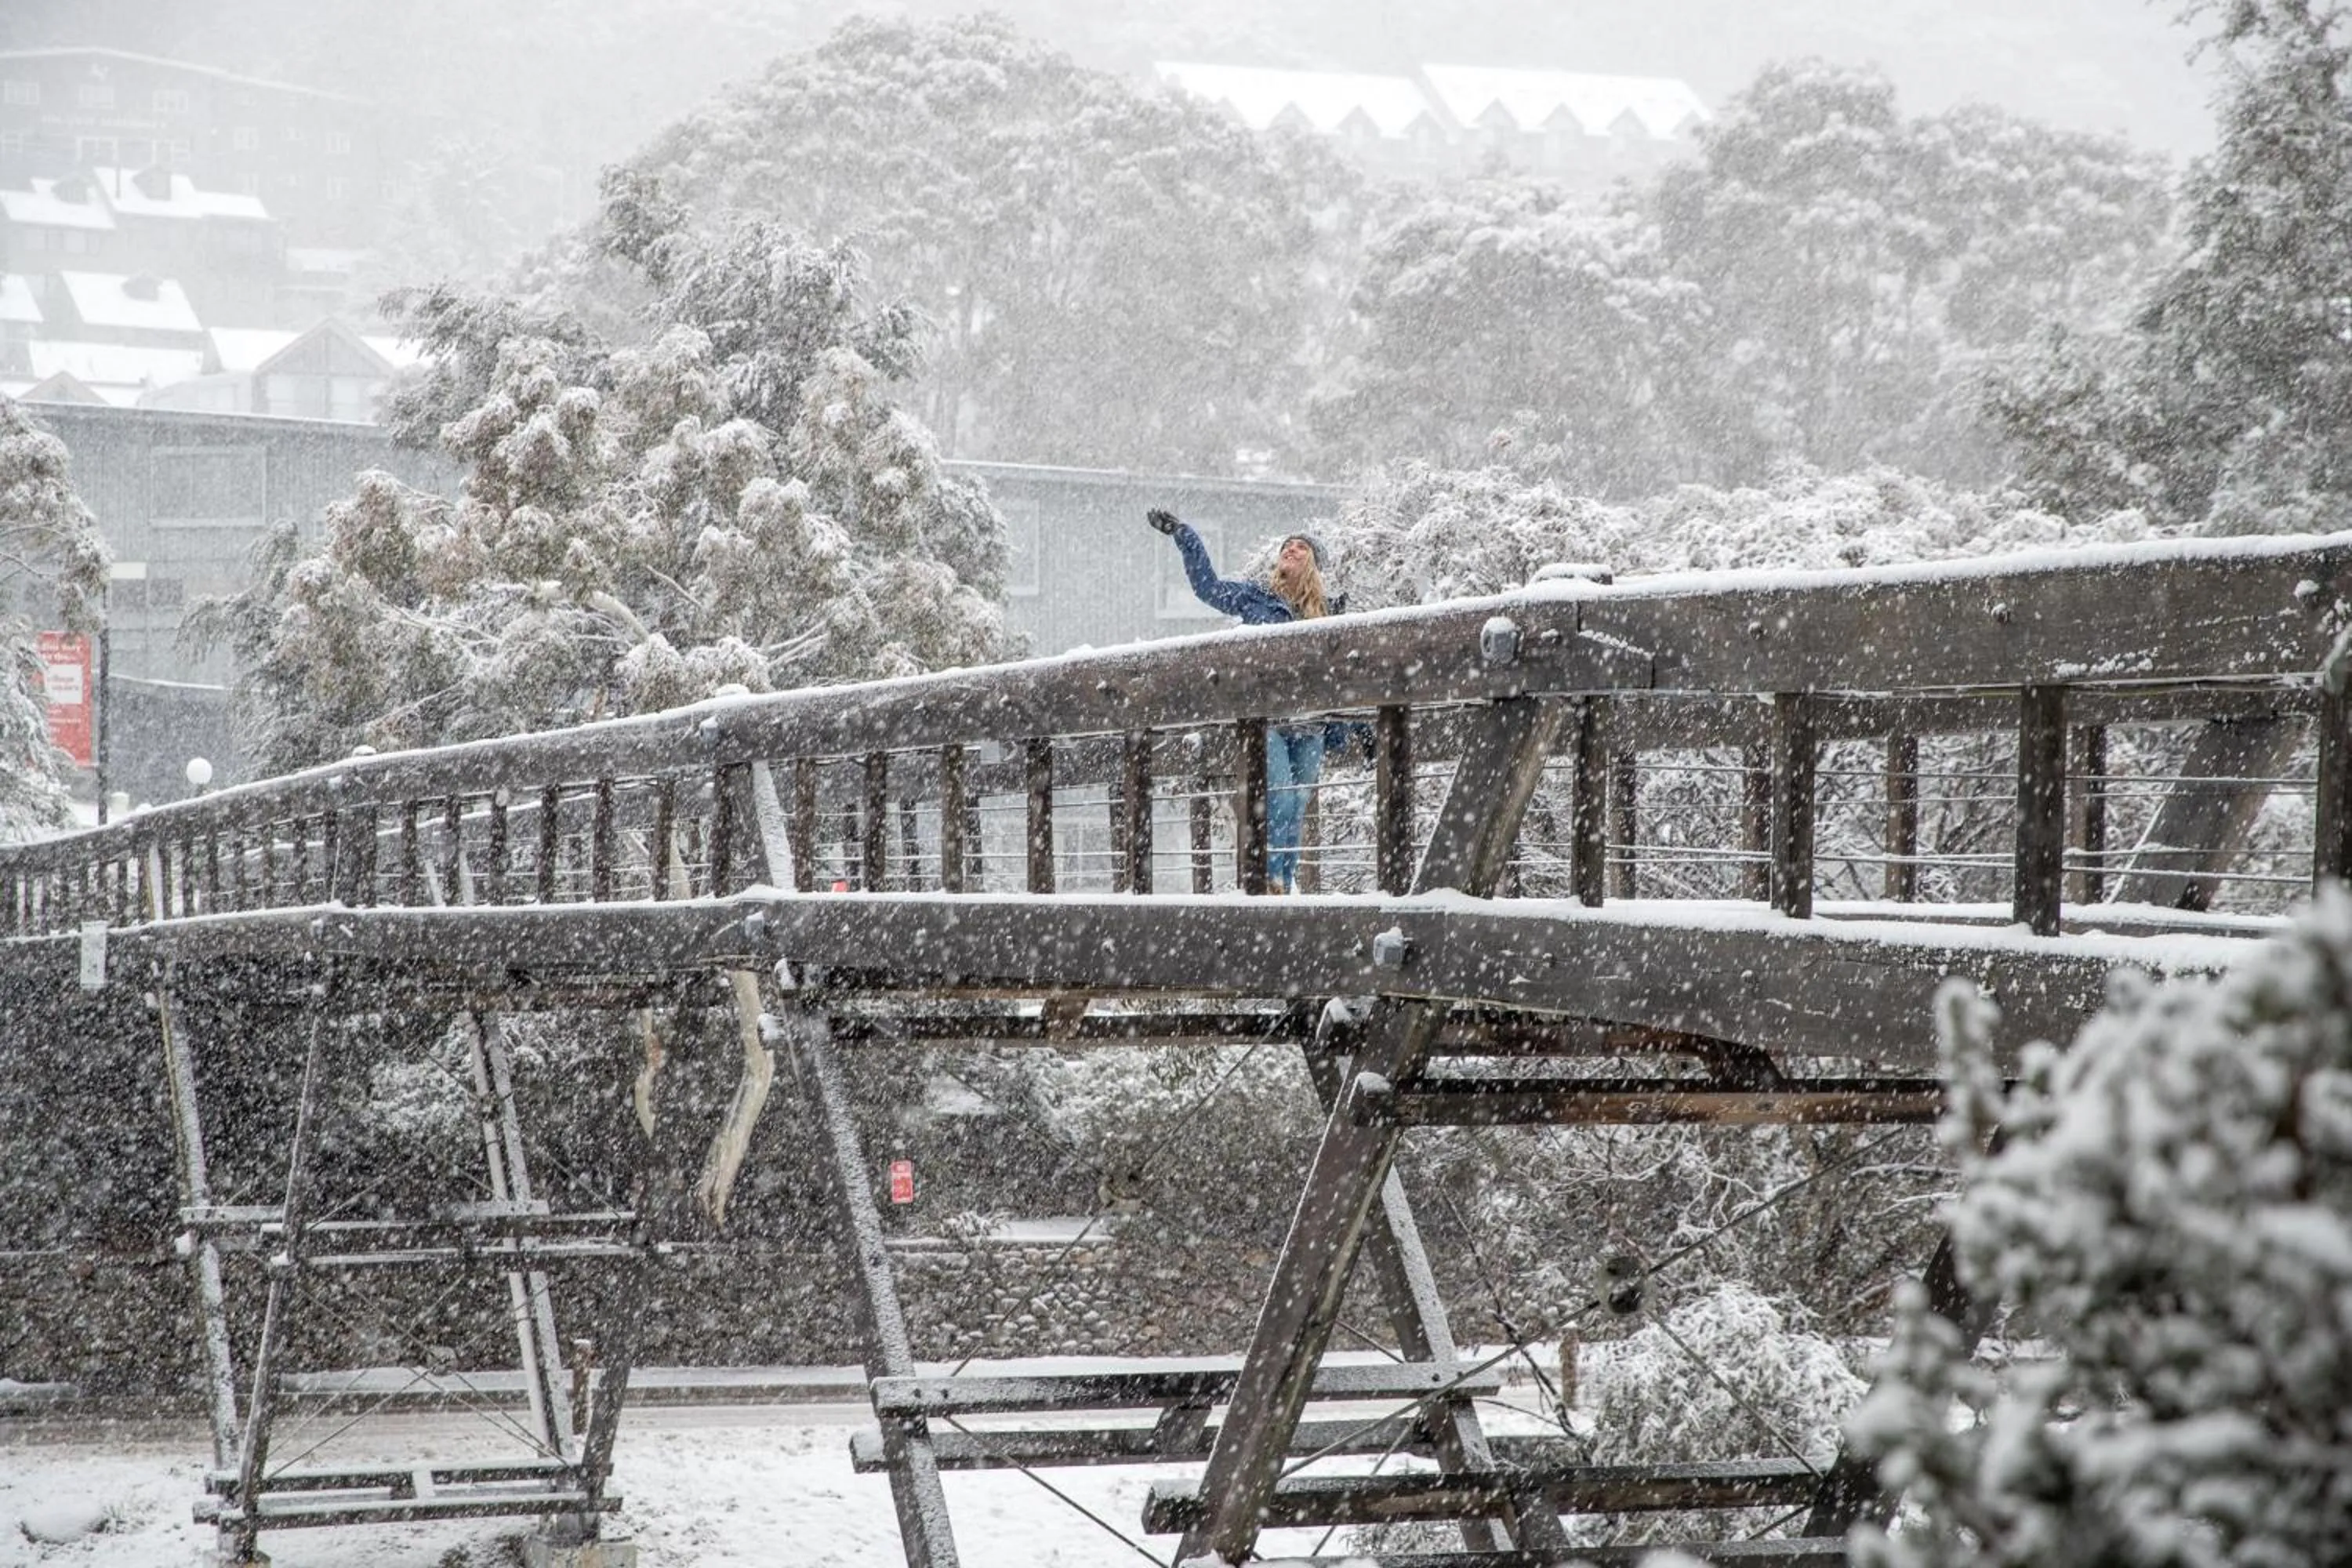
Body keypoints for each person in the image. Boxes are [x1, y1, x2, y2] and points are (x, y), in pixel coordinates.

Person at [1147, 507, 1341, 892]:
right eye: (1287, 546)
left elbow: (1340, 674)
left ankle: (1284, 885)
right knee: (1282, 801)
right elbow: (1208, 588)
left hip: (1312, 724)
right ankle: (1270, 880)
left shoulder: (1330, 613)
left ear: (1314, 564)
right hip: (1267, 718)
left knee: (1297, 807)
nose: (1292, 549)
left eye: (1301, 547)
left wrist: (1351, 726)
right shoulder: (1256, 596)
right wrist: (1185, 536)